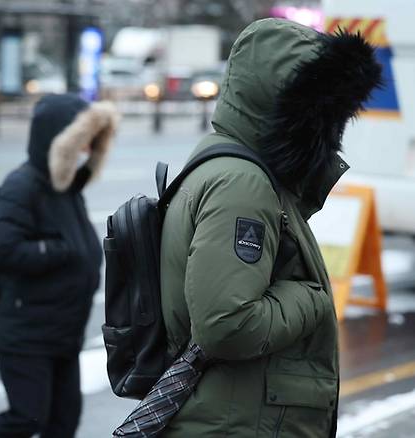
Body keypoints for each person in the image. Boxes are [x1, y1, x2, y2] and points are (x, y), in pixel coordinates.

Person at [160, 19, 381, 437]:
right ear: (285, 109)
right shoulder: (242, 185)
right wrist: (311, 297)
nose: (332, 128)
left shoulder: (231, 165)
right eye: (321, 112)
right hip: (239, 422)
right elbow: (226, 325)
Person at [0, 94, 118, 438]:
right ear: (57, 141)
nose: (86, 150)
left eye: (90, 143)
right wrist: (58, 251)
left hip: (61, 330)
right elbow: (1, 249)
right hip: (26, 332)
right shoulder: (22, 187)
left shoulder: (65, 187)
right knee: (26, 417)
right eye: (80, 142)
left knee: (63, 420)